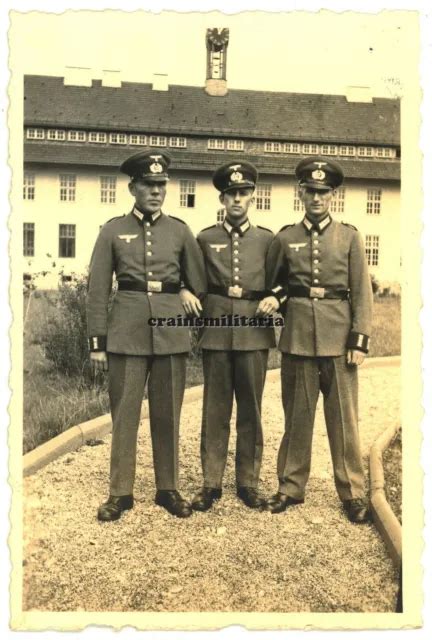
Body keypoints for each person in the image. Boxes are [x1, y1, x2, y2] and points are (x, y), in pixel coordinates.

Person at [87, 149, 206, 521]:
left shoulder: (180, 231)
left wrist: (186, 290)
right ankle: (120, 492)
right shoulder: (112, 229)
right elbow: (96, 290)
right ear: (133, 187)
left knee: (168, 412)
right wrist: (98, 343)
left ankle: (167, 488)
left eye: (161, 185)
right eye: (148, 185)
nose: (156, 191)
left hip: (170, 332)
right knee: (124, 413)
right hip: (127, 331)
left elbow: (200, 282)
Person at [265, 156, 373, 523]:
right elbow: (276, 283)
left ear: (332, 195)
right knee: (297, 417)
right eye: (310, 191)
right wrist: (276, 299)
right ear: (300, 193)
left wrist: (358, 341)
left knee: (344, 420)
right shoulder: (285, 237)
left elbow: (361, 292)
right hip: (297, 338)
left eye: (323, 192)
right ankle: (291, 487)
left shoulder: (350, 236)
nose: (316, 198)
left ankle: (353, 492)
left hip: (339, 339)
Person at [191, 161, 282, 512]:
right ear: (222, 197)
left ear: (252, 197)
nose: (237, 200)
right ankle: (210, 483)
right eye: (231, 194)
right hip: (215, 332)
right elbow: (194, 281)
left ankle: (248, 482)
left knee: (251, 410)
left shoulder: (267, 240)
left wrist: (274, 297)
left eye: (243, 193)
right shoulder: (205, 238)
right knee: (215, 410)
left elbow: (278, 282)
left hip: (254, 333)